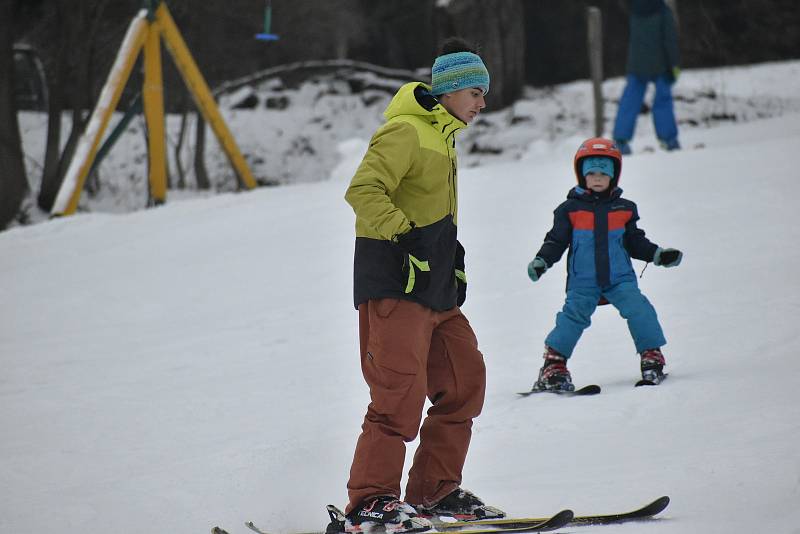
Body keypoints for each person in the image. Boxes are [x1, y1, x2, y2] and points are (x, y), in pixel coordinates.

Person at [341, 38, 503, 533]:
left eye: (483, 94)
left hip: (435, 290)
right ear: (451, 90)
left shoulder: (444, 137)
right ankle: (371, 502)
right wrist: (405, 238)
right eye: (475, 92)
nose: (481, 103)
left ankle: (434, 491)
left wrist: (449, 260)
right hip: (395, 285)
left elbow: (431, 210)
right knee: (398, 394)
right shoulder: (407, 131)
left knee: (463, 380)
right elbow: (363, 190)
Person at [526, 137, 682, 391]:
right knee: (572, 317)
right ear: (581, 175)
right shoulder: (569, 210)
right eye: (591, 173)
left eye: (603, 173)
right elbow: (556, 240)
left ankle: (651, 355)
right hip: (583, 280)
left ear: (614, 175)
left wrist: (658, 254)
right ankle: (553, 366)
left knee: (639, 309)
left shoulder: (624, 209)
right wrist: (542, 260)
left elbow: (635, 241)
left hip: (619, 278)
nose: (597, 178)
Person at [612, 0, 681, 155]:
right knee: (663, 101)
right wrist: (674, 64)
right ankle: (669, 139)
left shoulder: (635, 10)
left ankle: (620, 141)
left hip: (636, 64)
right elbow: (670, 39)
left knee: (630, 101)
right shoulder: (663, 11)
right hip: (661, 64)